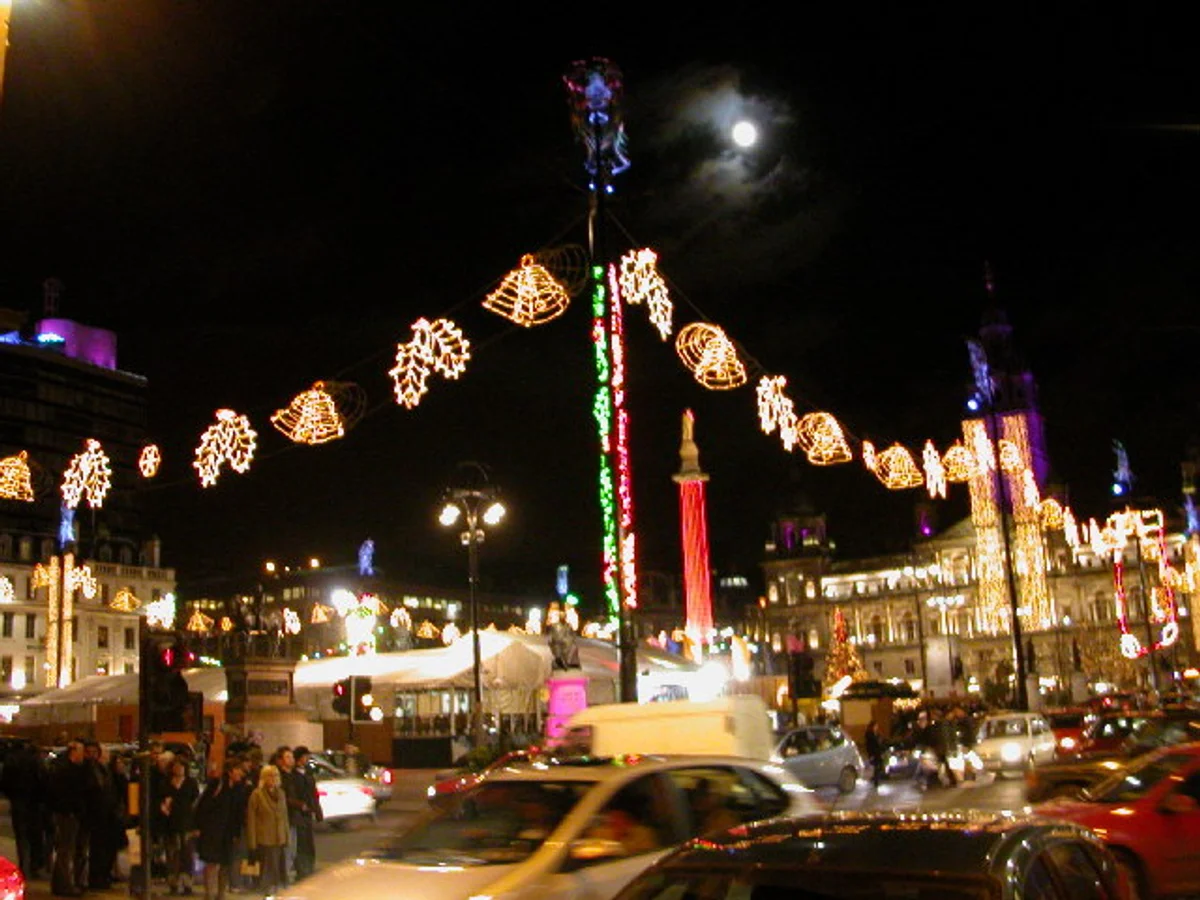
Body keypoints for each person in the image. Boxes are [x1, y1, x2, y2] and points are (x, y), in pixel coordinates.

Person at [195, 758, 247, 900]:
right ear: (230, 771)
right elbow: (203, 806)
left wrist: (236, 832)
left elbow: (239, 812)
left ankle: (221, 894)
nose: (241, 773)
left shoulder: (239, 788)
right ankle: (209, 893)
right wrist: (199, 826)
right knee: (211, 862)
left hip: (228, 832)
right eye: (238, 770)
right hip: (212, 829)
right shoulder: (217, 784)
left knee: (225, 862)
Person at [47, 740, 91, 897]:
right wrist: (70, 810)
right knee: (65, 850)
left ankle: (62, 883)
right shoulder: (65, 771)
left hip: (69, 813)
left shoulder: (69, 769)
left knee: (65, 850)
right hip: (67, 814)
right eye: (80, 751)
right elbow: (63, 794)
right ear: (73, 752)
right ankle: (64, 884)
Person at [1, 738, 47, 880]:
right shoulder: (34, 760)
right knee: (35, 836)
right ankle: (35, 867)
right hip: (34, 803)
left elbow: (4, 782)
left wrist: (12, 796)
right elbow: (42, 780)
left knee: (22, 837)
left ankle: (24, 866)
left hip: (18, 802)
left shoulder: (11, 760)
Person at [245, 764, 289, 896]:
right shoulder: (257, 795)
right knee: (266, 869)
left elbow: (285, 816)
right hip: (264, 838)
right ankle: (265, 891)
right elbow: (251, 819)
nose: (273, 778)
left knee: (278, 868)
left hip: (279, 838)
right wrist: (252, 841)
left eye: (276, 775)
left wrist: (286, 836)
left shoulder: (281, 793)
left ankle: (276, 890)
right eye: (270, 775)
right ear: (264, 778)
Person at [163, 757, 200, 895]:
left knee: (187, 856)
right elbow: (163, 801)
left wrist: (196, 825)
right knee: (173, 855)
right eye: (175, 766)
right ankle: (173, 883)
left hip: (187, 825)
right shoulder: (167, 783)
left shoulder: (191, 783)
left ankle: (187, 884)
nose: (178, 769)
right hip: (171, 824)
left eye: (181, 766)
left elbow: (196, 804)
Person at [289, 747, 323, 880]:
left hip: (308, 812)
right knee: (300, 842)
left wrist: (318, 811)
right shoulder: (293, 775)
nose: (306, 759)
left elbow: (314, 794)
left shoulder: (308, 773)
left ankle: (309, 867)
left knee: (309, 842)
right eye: (304, 757)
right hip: (298, 813)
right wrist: (300, 805)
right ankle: (301, 870)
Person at [864, 720, 886, 787]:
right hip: (874, 752)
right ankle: (876, 781)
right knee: (877, 766)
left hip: (877, 752)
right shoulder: (869, 734)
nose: (877, 727)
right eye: (876, 726)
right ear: (872, 726)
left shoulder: (875, 733)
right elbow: (871, 744)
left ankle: (876, 778)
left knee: (879, 765)